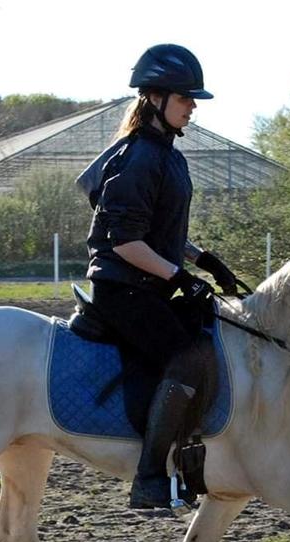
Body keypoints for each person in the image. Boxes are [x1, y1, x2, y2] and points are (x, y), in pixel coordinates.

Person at [78, 43, 239, 510]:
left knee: (207, 335)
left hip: (148, 281)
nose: (192, 107)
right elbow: (125, 242)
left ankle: (190, 460)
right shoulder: (139, 157)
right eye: (185, 99)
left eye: (192, 100)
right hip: (122, 288)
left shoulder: (168, 156)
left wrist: (202, 258)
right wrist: (178, 276)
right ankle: (149, 478)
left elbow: (158, 230)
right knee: (187, 359)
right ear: (155, 99)